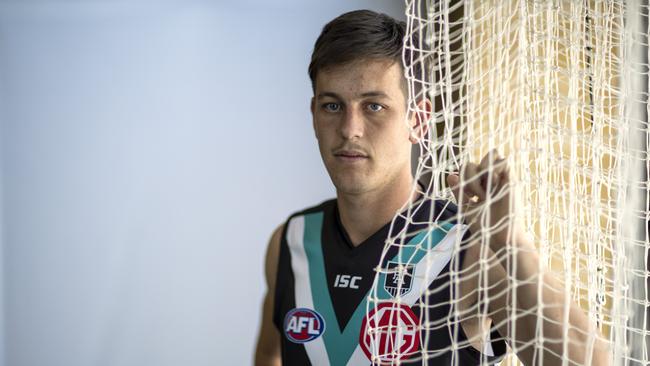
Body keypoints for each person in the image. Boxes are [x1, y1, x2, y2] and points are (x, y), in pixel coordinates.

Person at [254, 9, 611, 366]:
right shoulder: (291, 240)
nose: (350, 129)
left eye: (374, 106)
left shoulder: (471, 249)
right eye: (332, 106)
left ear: (419, 120)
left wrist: (511, 244)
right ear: (313, 115)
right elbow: (270, 354)